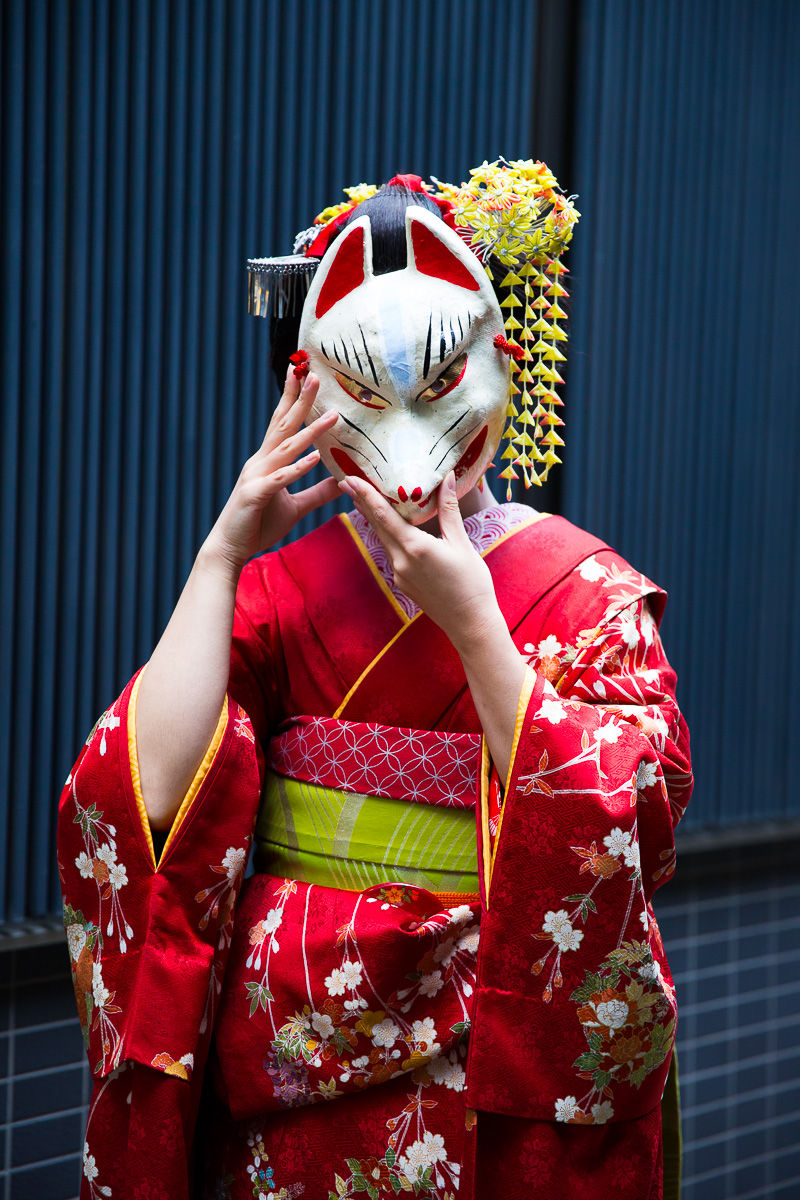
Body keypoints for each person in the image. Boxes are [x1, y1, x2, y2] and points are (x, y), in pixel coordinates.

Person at [58, 162, 692, 1199]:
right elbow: (135, 799)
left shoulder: (585, 593)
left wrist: (475, 625)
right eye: (358, 391)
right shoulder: (278, 589)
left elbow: (631, 819)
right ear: (301, 389)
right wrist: (220, 551)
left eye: (443, 381)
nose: (409, 448)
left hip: (486, 1063)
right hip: (291, 1056)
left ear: (506, 359)